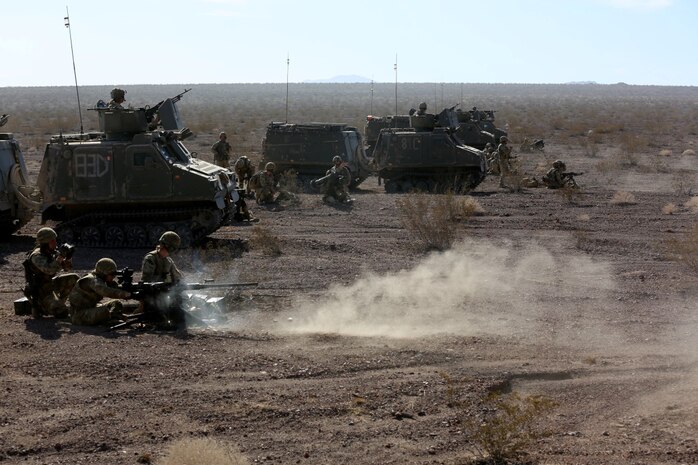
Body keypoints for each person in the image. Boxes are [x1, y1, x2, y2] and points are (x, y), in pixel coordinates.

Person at [23, 227, 79, 319]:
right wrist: (61, 256)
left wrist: (68, 257)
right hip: (41, 292)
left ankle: (58, 302)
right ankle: (44, 307)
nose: (55, 243)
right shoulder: (37, 256)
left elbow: (67, 269)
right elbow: (50, 270)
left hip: (51, 285)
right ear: (45, 242)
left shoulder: (51, 252)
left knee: (74, 278)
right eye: (52, 241)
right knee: (62, 313)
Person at [68, 258, 133, 326]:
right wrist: (125, 294)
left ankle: (112, 317)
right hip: (79, 315)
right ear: (103, 273)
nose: (114, 277)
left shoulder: (102, 279)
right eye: (111, 274)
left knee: (116, 303)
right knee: (104, 311)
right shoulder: (92, 280)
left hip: (91, 308)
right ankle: (109, 320)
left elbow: (115, 288)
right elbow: (105, 291)